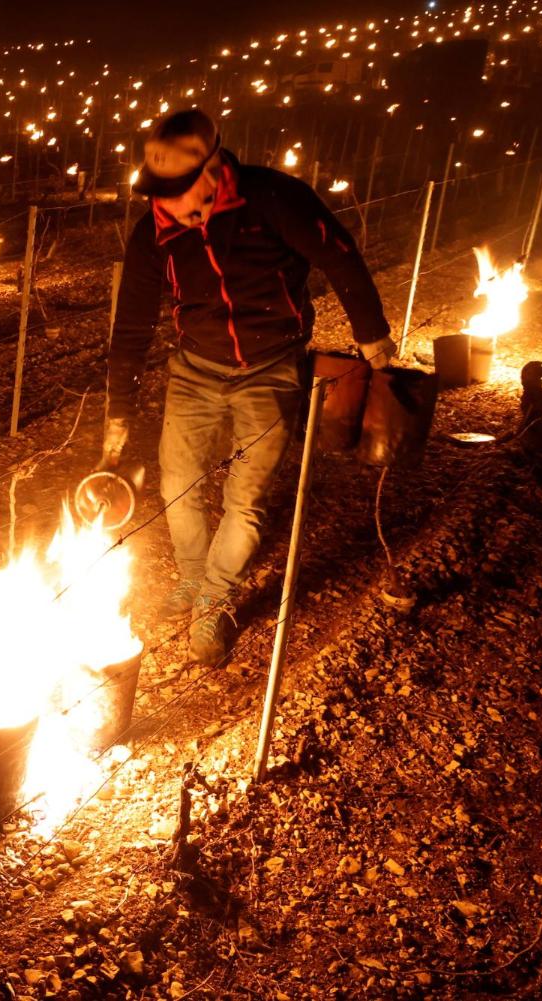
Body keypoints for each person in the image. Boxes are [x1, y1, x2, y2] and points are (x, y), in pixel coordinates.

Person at [101, 109, 395, 665]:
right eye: (158, 193)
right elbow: (132, 322)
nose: (167, 206)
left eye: (179, 191)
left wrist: (372, 335)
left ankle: (214, 598)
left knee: (246, 498)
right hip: (194, 369)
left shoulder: (272, 199)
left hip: (272, 365)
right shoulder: (153, 233)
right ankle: (193, 580)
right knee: (178, 485)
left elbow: (338, 254)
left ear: (214, 170)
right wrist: (119, 409)